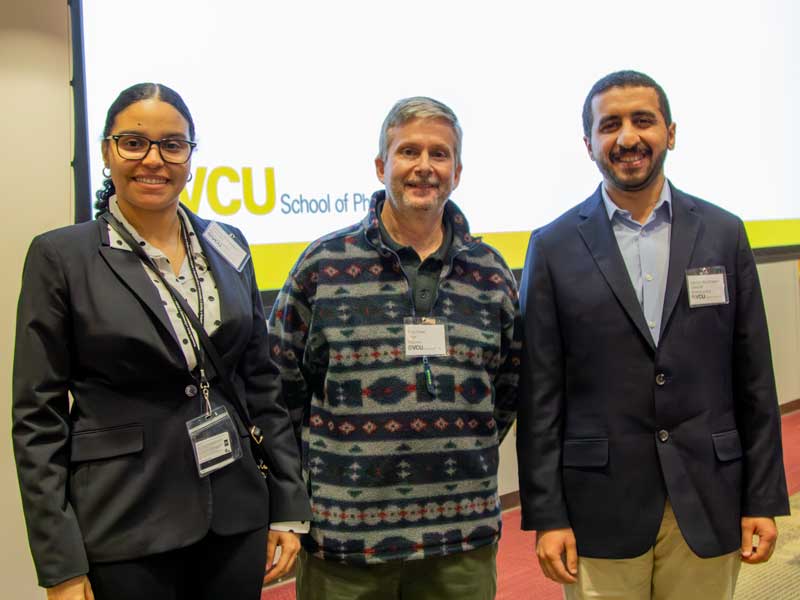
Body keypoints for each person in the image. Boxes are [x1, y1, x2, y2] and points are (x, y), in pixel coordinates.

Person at [12, 82, 312, 600]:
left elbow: (261, 384)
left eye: (173, 145)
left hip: (236, 513)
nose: (154, 159)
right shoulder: (61, 257)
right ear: (106, 152)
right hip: (126, 521)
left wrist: (288, 501)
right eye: (134, 143)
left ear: (190, 158)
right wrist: (60, 563)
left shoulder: (228, 244)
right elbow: (38, 419)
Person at [517, 70, 790, 600]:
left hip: (710, 495)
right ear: (588, 143)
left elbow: (754, 377)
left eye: (643, 120)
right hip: (599, 505)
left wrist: (762, 498)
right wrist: (547, 515)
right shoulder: (551, 246)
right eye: (609, 125)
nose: (627, 137)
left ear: (671, 132)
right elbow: (540, 396)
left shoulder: (724, 233)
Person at [268, 97, 521, 600]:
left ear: (457, 172)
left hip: (461, 538)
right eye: (408, 152)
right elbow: (280, 386)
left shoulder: (491, 272)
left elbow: (508, 390)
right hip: (345, 539)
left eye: (439, 154)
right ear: (381, 166)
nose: (424, 166)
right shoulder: (322, 264)